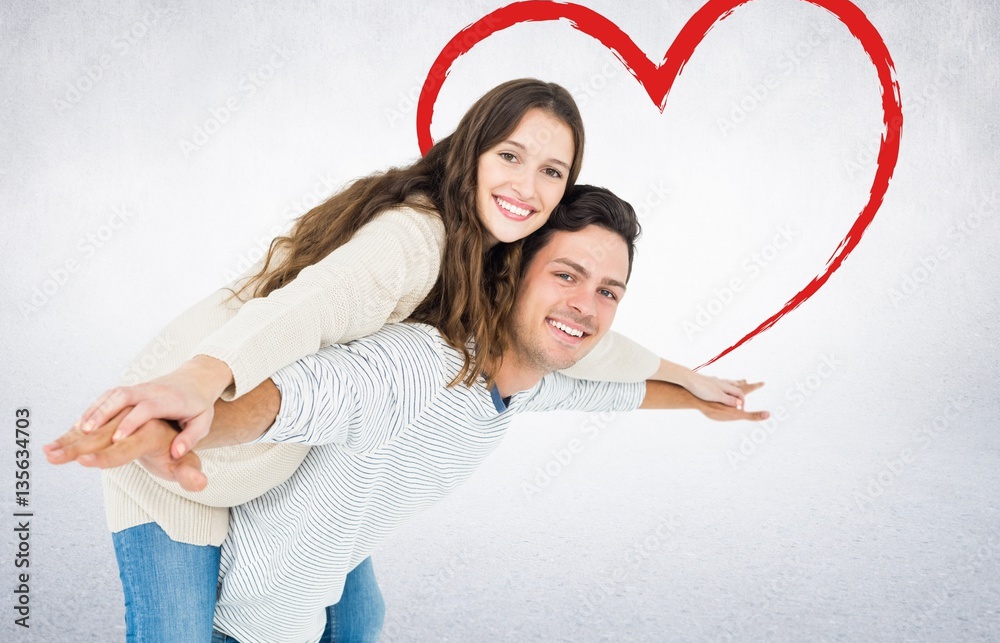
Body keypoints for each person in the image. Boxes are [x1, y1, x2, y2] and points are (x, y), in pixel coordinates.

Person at [58, 80, 748, 641]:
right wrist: (190, 388)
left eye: (551, 171)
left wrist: (689, 381)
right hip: (180, 429)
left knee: (358, 615)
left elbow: (585, 350)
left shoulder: (493, 276)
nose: (527, 184)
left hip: (266, 437)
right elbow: (313, 309)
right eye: (510, 155)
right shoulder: (418, 242)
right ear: (472, 150)